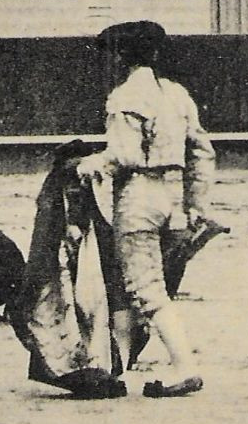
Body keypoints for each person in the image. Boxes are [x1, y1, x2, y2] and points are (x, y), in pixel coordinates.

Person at [76, 21, 218, 398]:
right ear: (155, 55)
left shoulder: (124, 97)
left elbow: (122, 155)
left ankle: (184, 365)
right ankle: (116, 370)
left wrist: (91, 164)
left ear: (121, 57)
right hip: (173, 199)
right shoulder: (177, 95)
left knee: (145, 288)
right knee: (134, 283)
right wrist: (196, 206)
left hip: (138, 197)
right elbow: (203, 153)